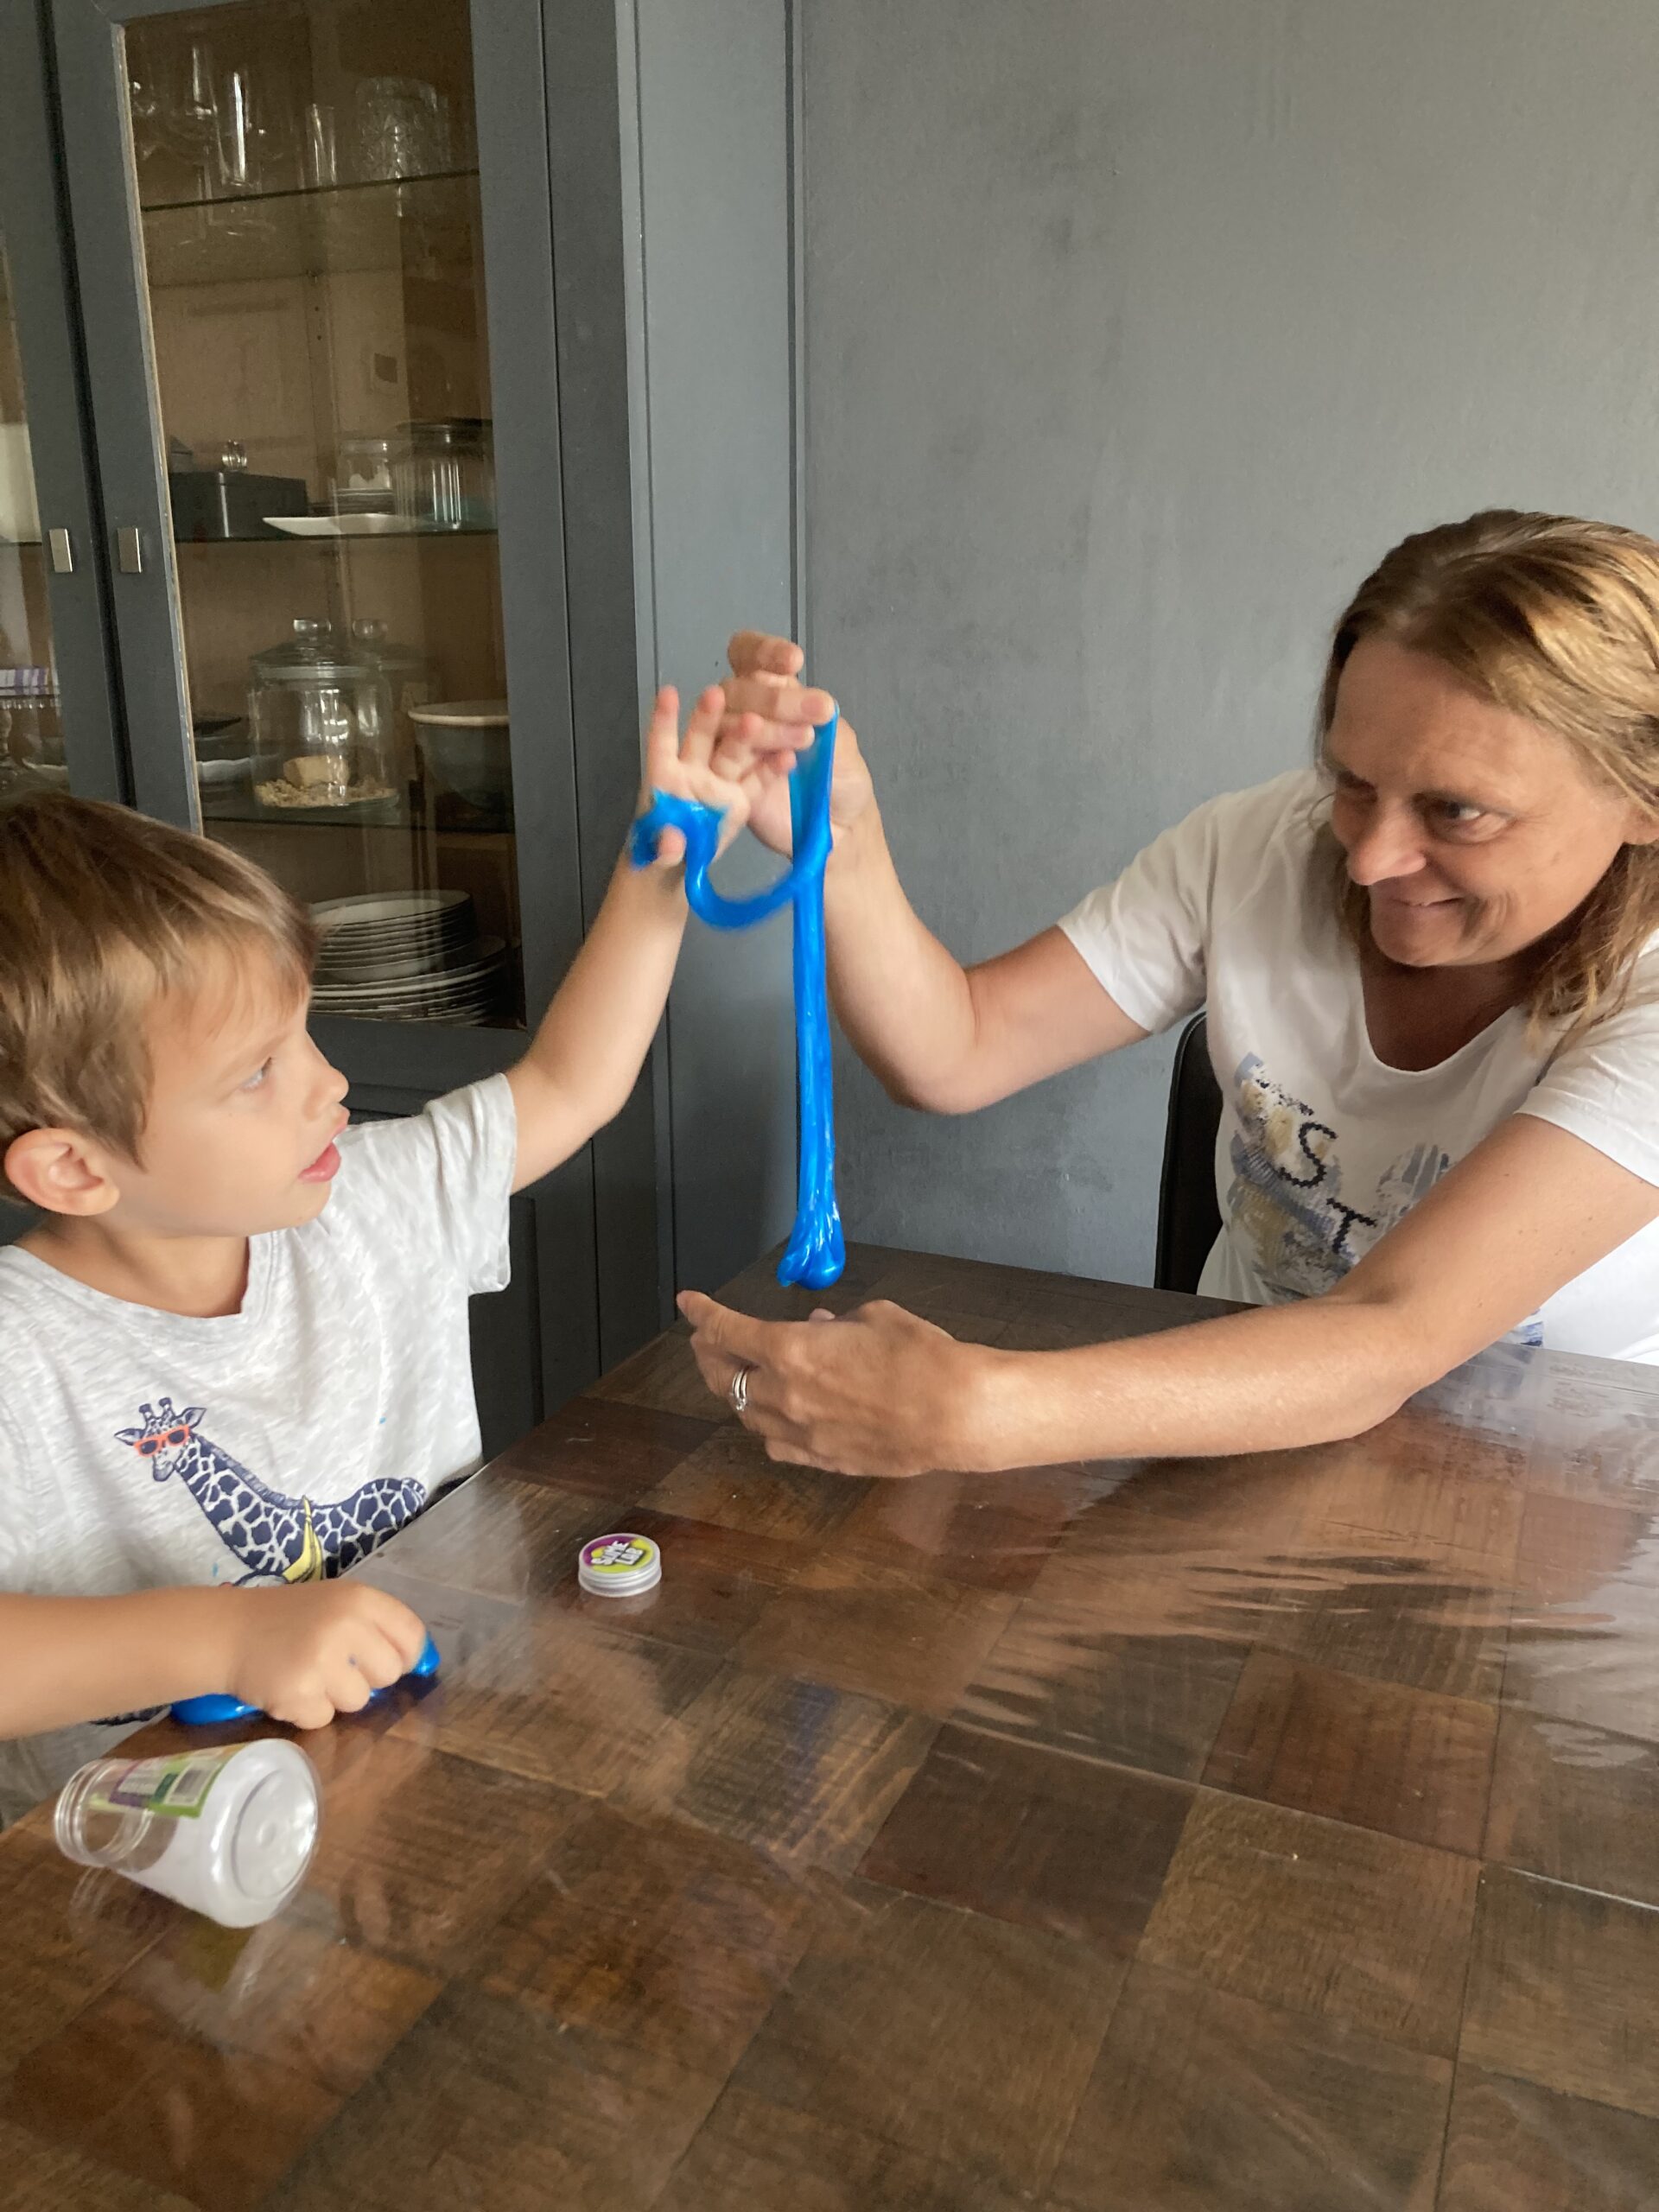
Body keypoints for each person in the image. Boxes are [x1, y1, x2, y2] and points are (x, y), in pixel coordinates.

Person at [682, 510, 1659, 1478]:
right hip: (1230, 1439)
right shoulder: (1262, 845)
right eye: (1353, 783)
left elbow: (1389, 1329)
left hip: (1556, 1482)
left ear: (1642, 799)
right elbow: (958, 1050)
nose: (1369, 859)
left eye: (1457, 811)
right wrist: (839, 842)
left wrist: (974, 1410)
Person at [0, 682, 802, 1822]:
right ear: (76, 1170)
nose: (329, 1082)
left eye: (304, 1033)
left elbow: (570, 1081)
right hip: (159, 1887)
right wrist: (226, 1637)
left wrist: (666, 860)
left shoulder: (367, 1199)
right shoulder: (20, 1358)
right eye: (257, 1072)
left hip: (435, 1791)